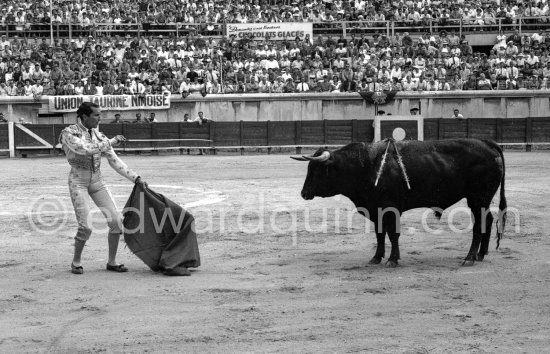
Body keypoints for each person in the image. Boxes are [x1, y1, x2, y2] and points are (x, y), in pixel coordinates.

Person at [59, 102, 147, 275]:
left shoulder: (99, 136)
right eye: (97, 115)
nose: (100, 118)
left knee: (116, 221)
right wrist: (112, 141)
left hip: (97, 180)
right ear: (84, 116)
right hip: (78, 181)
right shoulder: (68, 133)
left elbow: (114, 160)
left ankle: (112, 261)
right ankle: (76, 261)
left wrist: (135, 177)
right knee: (86, 227)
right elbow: (85, 149)